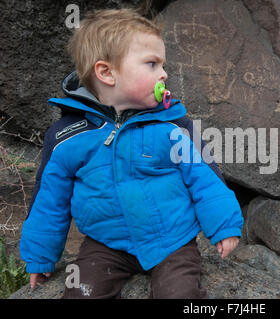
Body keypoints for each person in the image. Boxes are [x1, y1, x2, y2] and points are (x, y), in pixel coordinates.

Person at [20, 8, 244, 299]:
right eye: (151, 64)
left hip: (172, 241)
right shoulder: (68, 135)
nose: (164, 73)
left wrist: (224, 224)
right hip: (105, 245)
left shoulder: (172, 125)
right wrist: (40, 256)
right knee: (80, 293)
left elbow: (205, 176)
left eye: (163, 65)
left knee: (179, 294)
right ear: (107, 72)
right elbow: (50, 200)